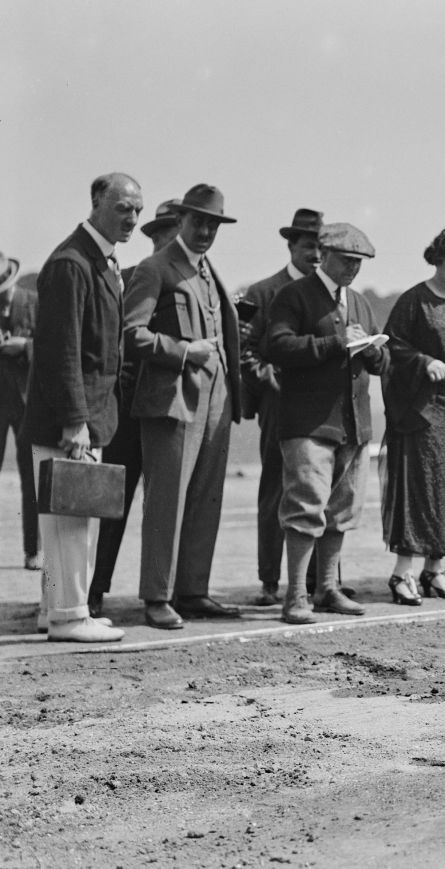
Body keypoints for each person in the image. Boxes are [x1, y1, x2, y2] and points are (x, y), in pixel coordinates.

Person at [21, 172, 144, 642]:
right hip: (72, 421)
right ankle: (71, 616)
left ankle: (55, 609)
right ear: (96, 202)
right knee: (72, 522)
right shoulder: (74, 263)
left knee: (62, 521)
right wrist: (76, 422)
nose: (132, 217)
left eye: (137, 209)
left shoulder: (95, 260)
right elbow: (63, 350)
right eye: (122, 207)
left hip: (82, 416)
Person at [125, 183, 243, 629]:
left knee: (205, 499)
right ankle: (157, 596)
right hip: (172, 399)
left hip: (216, 397)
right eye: (199, 222)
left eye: (214, 225)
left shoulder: (209, 271)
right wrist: (183, 351)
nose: (206, 231)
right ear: (182, 221)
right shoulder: (155, 268)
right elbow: (130, 334)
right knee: (166, 502)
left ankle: (192, 590)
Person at [264, 222, 388, 624]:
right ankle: (296, 595)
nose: (354, 269)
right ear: (325, 254)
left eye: (360, 263)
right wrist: (336, 344)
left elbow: (384, 361)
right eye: (348, 261)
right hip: (309, 424)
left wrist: (374, 353)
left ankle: (327, 589)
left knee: (342, 510)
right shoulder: (294, 296)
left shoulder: (360, 302)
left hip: (354, 425)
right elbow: (277, 346)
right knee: (304, 506)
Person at [381, 228, 445, 604]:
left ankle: (435, 569)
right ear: (437, 258)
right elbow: (392, 344)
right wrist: (424, 361)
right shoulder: (415, 300)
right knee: (420, 490)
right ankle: (401, 574)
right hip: (425, 411)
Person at [88, 198, 181, 618]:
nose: (173, 243)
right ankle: (93, 589)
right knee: (114, 505)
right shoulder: (124, 278)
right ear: (154, 238)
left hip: (170, 411)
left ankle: (166, 592)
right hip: (127, 407)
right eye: (166, 235)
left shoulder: (196, 286)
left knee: (167, 504)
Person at [241, 207, 324, 606]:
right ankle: (270, 581)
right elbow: (244, 348)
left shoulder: (331, 295)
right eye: (309, 246)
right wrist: (265, 375)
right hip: (280, 404)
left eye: (322, 247)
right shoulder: (262, 293)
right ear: (291, 246)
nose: (316, 255)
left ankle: (317, 581)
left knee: (320, 489)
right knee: (277, 488)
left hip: (324, 408)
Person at [0, 251, 41, 572]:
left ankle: (33, 551)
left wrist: (24, 347)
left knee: (32, 480)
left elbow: (50, 344)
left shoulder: (32, 301)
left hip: (27, 405)